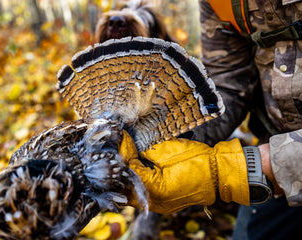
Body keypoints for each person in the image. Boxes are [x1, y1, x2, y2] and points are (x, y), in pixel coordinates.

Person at [120, 0, 302, 239]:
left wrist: (230, 170)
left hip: (274, 163)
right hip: (274, 150)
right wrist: (178, 136)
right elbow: (228, 81)